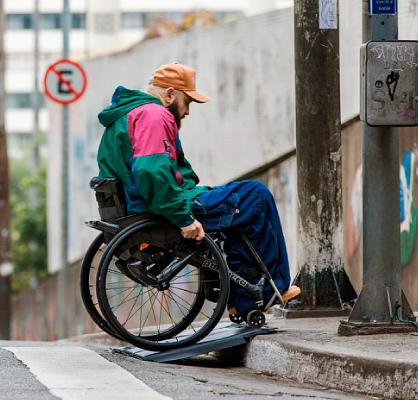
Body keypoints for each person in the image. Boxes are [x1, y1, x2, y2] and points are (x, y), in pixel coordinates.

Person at [95, 62, 300, 316]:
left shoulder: (124, 116)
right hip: (158, 210)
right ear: (169, 94)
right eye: (187, 102)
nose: (188, 112)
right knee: (255, 196)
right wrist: (183, 218)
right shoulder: (154, 115)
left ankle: (242, 301)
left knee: (237, 203)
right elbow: (151, 172)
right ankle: (268, 292)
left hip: (139, 208)